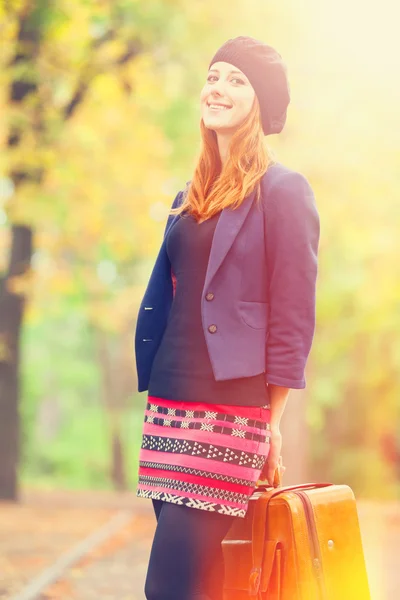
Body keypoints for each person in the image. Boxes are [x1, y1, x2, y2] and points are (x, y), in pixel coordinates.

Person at [134, 35, 320, 600]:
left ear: (260, 102)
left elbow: (294, 316)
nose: (219, 88)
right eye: (214, 76)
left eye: (237, 80)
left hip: (230, 412)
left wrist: (272, 421)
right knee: (201, 581)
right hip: (169, 402)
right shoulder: (185, 197)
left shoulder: (284, 192)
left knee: (167, 584)